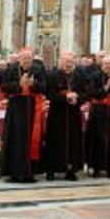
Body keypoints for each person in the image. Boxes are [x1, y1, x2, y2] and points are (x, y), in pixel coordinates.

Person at [0, 48, 47, 182]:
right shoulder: (11, 70)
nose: (27, 61)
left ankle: (29, 172)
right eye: (24, 58)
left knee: (31, 139)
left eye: (29, 58)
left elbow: (44, 87)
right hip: (16, 108)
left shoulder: (38, 70)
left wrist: (33, 85)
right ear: (19, 59)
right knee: (16, 138)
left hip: (32, 107)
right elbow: (4, 87)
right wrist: (19, 85)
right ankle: (14, 172)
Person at [44, 51, 85, 181]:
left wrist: (77, 98)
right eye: (66, 62)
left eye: (71, 62)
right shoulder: (52, 76)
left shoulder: (79, 76)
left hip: (73, 114)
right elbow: (49, 94)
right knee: (54, 141)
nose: (68, 64)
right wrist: (65, 97)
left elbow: (85, 94)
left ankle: (71, 170)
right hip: (57, 114)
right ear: (60, 62)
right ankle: (51, 170)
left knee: (73, 142)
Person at [85, 56, 110, 178]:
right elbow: (91, 93)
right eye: (106, 64)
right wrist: (106, 87)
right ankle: (96, 168)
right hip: (98, 111)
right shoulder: (94, 76)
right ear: (101, 65)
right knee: (97, 140)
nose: (108, 66)